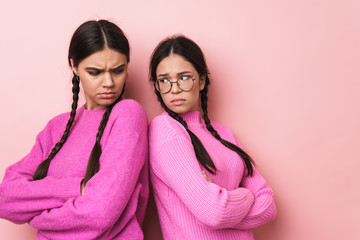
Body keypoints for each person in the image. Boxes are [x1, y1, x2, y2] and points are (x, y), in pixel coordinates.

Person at [0, 20, 148, 240]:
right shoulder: (56, 127)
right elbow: (5, 198)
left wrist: (39, 217)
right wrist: (80, 187)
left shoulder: (128, 114)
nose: (108, 82)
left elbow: (100, 213)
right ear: (74, 66)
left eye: (118, 70)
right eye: (95, 72)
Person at [148, 35, 276, 239]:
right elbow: (214, 212)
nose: (174, 89)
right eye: (164, 80)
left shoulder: (223, 133)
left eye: (183, 78)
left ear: (201, 81)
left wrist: (223, 200)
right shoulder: (167, 130)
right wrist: (247, 195)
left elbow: (268, 206)